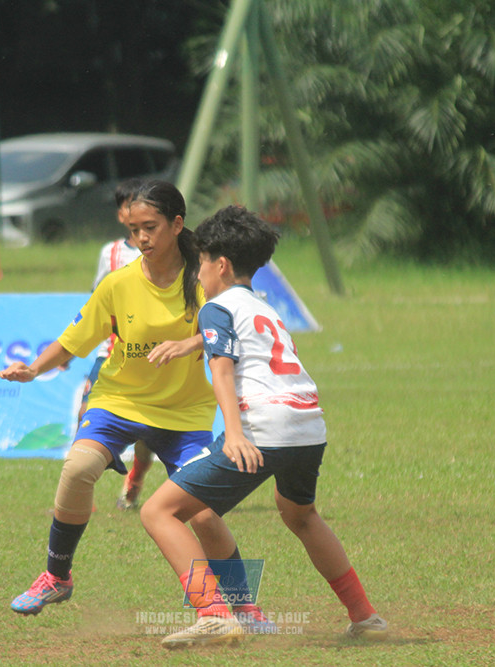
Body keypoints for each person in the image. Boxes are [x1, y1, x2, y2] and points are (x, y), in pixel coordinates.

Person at [0, 181, 270, 638]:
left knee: (205, 513)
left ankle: (243, 606)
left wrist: (188, 344)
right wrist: (34, 369)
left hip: (184, 415)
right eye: (134, 229)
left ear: (177, 224)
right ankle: (57, 576)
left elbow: (233, 330)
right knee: (78, 468)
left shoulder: (204, 278)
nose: (141, 238)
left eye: (151, 227)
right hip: (119, 402)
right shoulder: (118, 284)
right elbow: (74, 340)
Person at [140, 205, 389, 648]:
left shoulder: (215, 306)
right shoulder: (264, 307)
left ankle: (214, 615)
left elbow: (222, 369)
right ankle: (365, 617)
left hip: (262, 426)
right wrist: (192, 342)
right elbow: (245, 342)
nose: (197, 273)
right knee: (299, 516)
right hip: (308, 425)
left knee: (158, 511)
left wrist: (234, 434)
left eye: (201, 263)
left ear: (221, 265)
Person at [82, 177, 153, 511]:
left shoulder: (165, 252)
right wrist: (73, 347)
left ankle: (134, 481)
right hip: (111, 350)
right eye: (128, 206)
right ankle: (78, 495)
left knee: (147, 434)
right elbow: (97, 302)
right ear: (121, 213)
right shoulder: (110, 253)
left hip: (150, 354)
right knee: (86, 413)